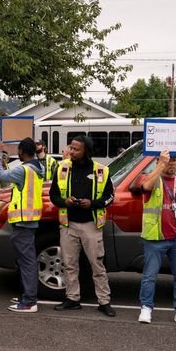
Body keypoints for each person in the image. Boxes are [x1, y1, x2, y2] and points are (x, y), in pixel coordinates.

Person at [49, 135, 116, 317]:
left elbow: (110, 197)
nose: (71, 151)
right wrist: (65, 201)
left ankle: (104, 301)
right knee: (69, 265)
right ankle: (72, 299)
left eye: (76, 149)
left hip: (91, 226)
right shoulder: (62, 168)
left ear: (86, 150)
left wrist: (92, 203)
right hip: (68, 224)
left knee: (97, 265)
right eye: (71, 147)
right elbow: (53, 196)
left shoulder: (101, 171)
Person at [137, 150, 176, 327]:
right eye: (167, 161)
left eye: (174, 160)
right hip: (156, 237)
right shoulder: (152, 180)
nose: (171, 163)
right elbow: (146, 186)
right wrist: (160, 165)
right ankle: (146, 308)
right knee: (149, 276)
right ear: (158, 162)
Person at [0, 137, 44, 313]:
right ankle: (26, 296)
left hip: (23, 222)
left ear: (22, 151)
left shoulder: (24, 170)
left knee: (27, 261)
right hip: (29, 221)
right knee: (25, 261)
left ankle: (29, 301)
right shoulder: (38, 168)